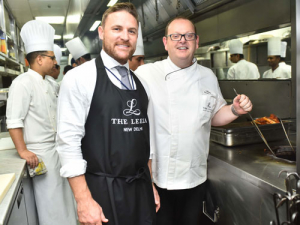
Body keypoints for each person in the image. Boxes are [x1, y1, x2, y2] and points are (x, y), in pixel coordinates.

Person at [135, 16, 252, 225]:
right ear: (166, 42)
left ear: (196, 41)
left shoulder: (207, 76)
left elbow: (214, 116)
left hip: (195, 176)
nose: (182, 40)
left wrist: (234, 109)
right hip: (160, 179)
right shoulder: (147, 73)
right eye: (176, 36)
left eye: (188, 36)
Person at [56, 3, 158, 225]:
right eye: (117, 29)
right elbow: (68, 142)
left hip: (141, 190)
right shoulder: (80, 78)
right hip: (102, 192)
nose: (125, 37)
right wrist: (83, 201)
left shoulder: (142, 84)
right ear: (102, 32)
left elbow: (145, 141)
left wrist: (150, 184)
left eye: (131, 31)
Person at [6, 20, 77, 225]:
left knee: (65, 203)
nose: (55, 62)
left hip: (57, 152)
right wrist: (23, 151)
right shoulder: (22, 84)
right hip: (40, 156)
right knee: (51, 206)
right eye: (52, 57)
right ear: (39, 59)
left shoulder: (50, 83)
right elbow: (14, 121)